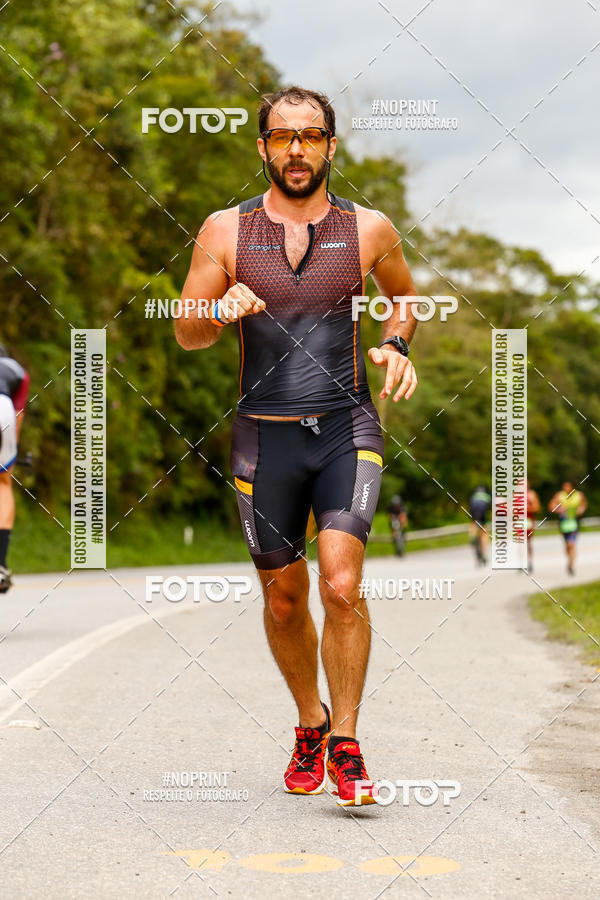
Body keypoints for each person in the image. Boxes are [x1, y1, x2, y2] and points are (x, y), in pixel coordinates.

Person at [175, 86, 419, 806]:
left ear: (331, 145)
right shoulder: (224, 231)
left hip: (347, 427)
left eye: (311, 136)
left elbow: (404, 296)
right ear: (262, 148)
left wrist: (396, 341)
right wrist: (216, 310)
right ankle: (309, 722)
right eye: (283, 137)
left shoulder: (370, 229)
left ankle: (345, 741)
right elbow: (187, 328)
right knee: (285, 601)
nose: (297, 150)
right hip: (262, 440)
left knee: (341, 583)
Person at [0, 343, 30, 593]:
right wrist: (13, 453)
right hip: (3, 411)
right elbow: (18, 415)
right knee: (2, 483)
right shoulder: (18, 372)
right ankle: (0, 564)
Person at [548, 481, 587, 575]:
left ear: (572, 488)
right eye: (564, 487)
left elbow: (584, 504)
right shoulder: (559, 495)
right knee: (567, 546)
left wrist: (581, 509)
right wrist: (558, 509)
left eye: (568, 487)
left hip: (574, 523)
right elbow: (551, 506)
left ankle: (571, 565)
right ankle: (569, 560)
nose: (566, 489)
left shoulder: (579, 495)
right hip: (563, 523)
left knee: (572, 544)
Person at [468, 484, 492, 565]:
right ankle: (484, 554)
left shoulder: (473, 496)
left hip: (474, 511)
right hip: (483, 513)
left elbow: (470, 506)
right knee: (484, 533)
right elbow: (490, 509)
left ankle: (472, 536)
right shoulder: (487, 496)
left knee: (473, 522)